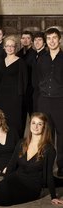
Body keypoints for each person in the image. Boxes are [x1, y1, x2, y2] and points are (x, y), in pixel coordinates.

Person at [0, 112, 63, 206]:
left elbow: (49, 175)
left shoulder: (48, 149)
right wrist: (5, 182)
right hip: (17, 178)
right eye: (33, 123)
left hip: (32, 187)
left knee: (4, 198)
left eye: (39, 124)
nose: (36, 126)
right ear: (30, 125)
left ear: (44, 127)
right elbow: (11, 165)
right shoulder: (22, 143)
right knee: (1, 188)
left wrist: (53, 196)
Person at [36, 28, 63, 176]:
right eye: (49, 38)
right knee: (45, 134)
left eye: (54, 38)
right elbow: (37, 79)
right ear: (46, 41)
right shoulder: (42, 58)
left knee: (62, 134)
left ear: (59, 39)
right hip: (44, 100)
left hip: (60, 100)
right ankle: (45, 167)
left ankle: (61, 167)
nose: (52, 41)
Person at [0, 36, 27, 138]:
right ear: (4, 48)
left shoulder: (21, 62)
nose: (10, 48)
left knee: (15, 122)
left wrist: (20, 96)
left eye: (12, 46)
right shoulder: (1, 62)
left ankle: (17, 145)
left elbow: (25, 81)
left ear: (15, 48)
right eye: (7, 46)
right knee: (4, 121)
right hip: (3, 97)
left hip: (15, 97)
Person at [17, 31, 36, 130]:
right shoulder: (17, 54)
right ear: (20, 40)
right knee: (20, 118)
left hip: (31, 90)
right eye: (23, 38)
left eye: (28, 38)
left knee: (34, 117)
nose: (25, 40)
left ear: (31, 41)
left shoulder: (35, 54)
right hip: (21, 91)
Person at [32, 31, 47, 112]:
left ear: (44, 43)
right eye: (35, 40)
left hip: (42, 92)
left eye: (39, 40)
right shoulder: (35, 55)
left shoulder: (46, 55)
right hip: (36, 91)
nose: (37, 42)